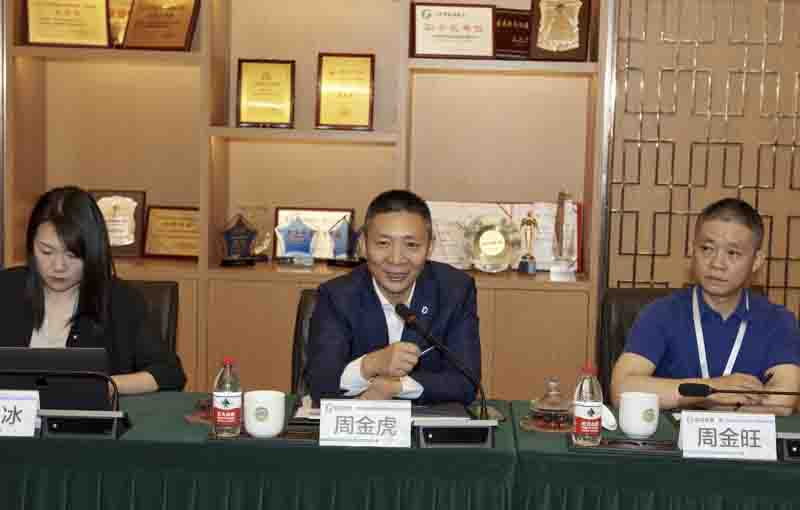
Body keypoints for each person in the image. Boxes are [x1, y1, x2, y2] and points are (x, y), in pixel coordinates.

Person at [611, 198, 800, 415]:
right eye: (707, 249)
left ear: (756, 261)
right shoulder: (661, 313)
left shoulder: (777, 321)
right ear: (693, 251)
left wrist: (715, 405)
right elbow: (621, 390)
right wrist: (710, 391)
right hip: (675, 436)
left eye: (733, 253)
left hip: (743, 437)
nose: (717, 264)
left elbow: (784, 399)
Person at [0, 186, 186, 394]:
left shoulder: (120, 299)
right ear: (31, 246)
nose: (58, 266)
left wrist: (102, 386)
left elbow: (169, 373)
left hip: (87, 414)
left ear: (93, 252)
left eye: (72, 255)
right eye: (46, 252)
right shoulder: (6, 287)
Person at [307, 190, 480, 405]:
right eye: (383, 243)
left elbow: (466, 383)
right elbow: (320, 385)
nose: (396, 260)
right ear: (363, 245)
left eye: (411, 245)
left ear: (430, 247)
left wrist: (396, 387)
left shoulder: (454, 291)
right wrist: (370, 365)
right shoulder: (337, 296)